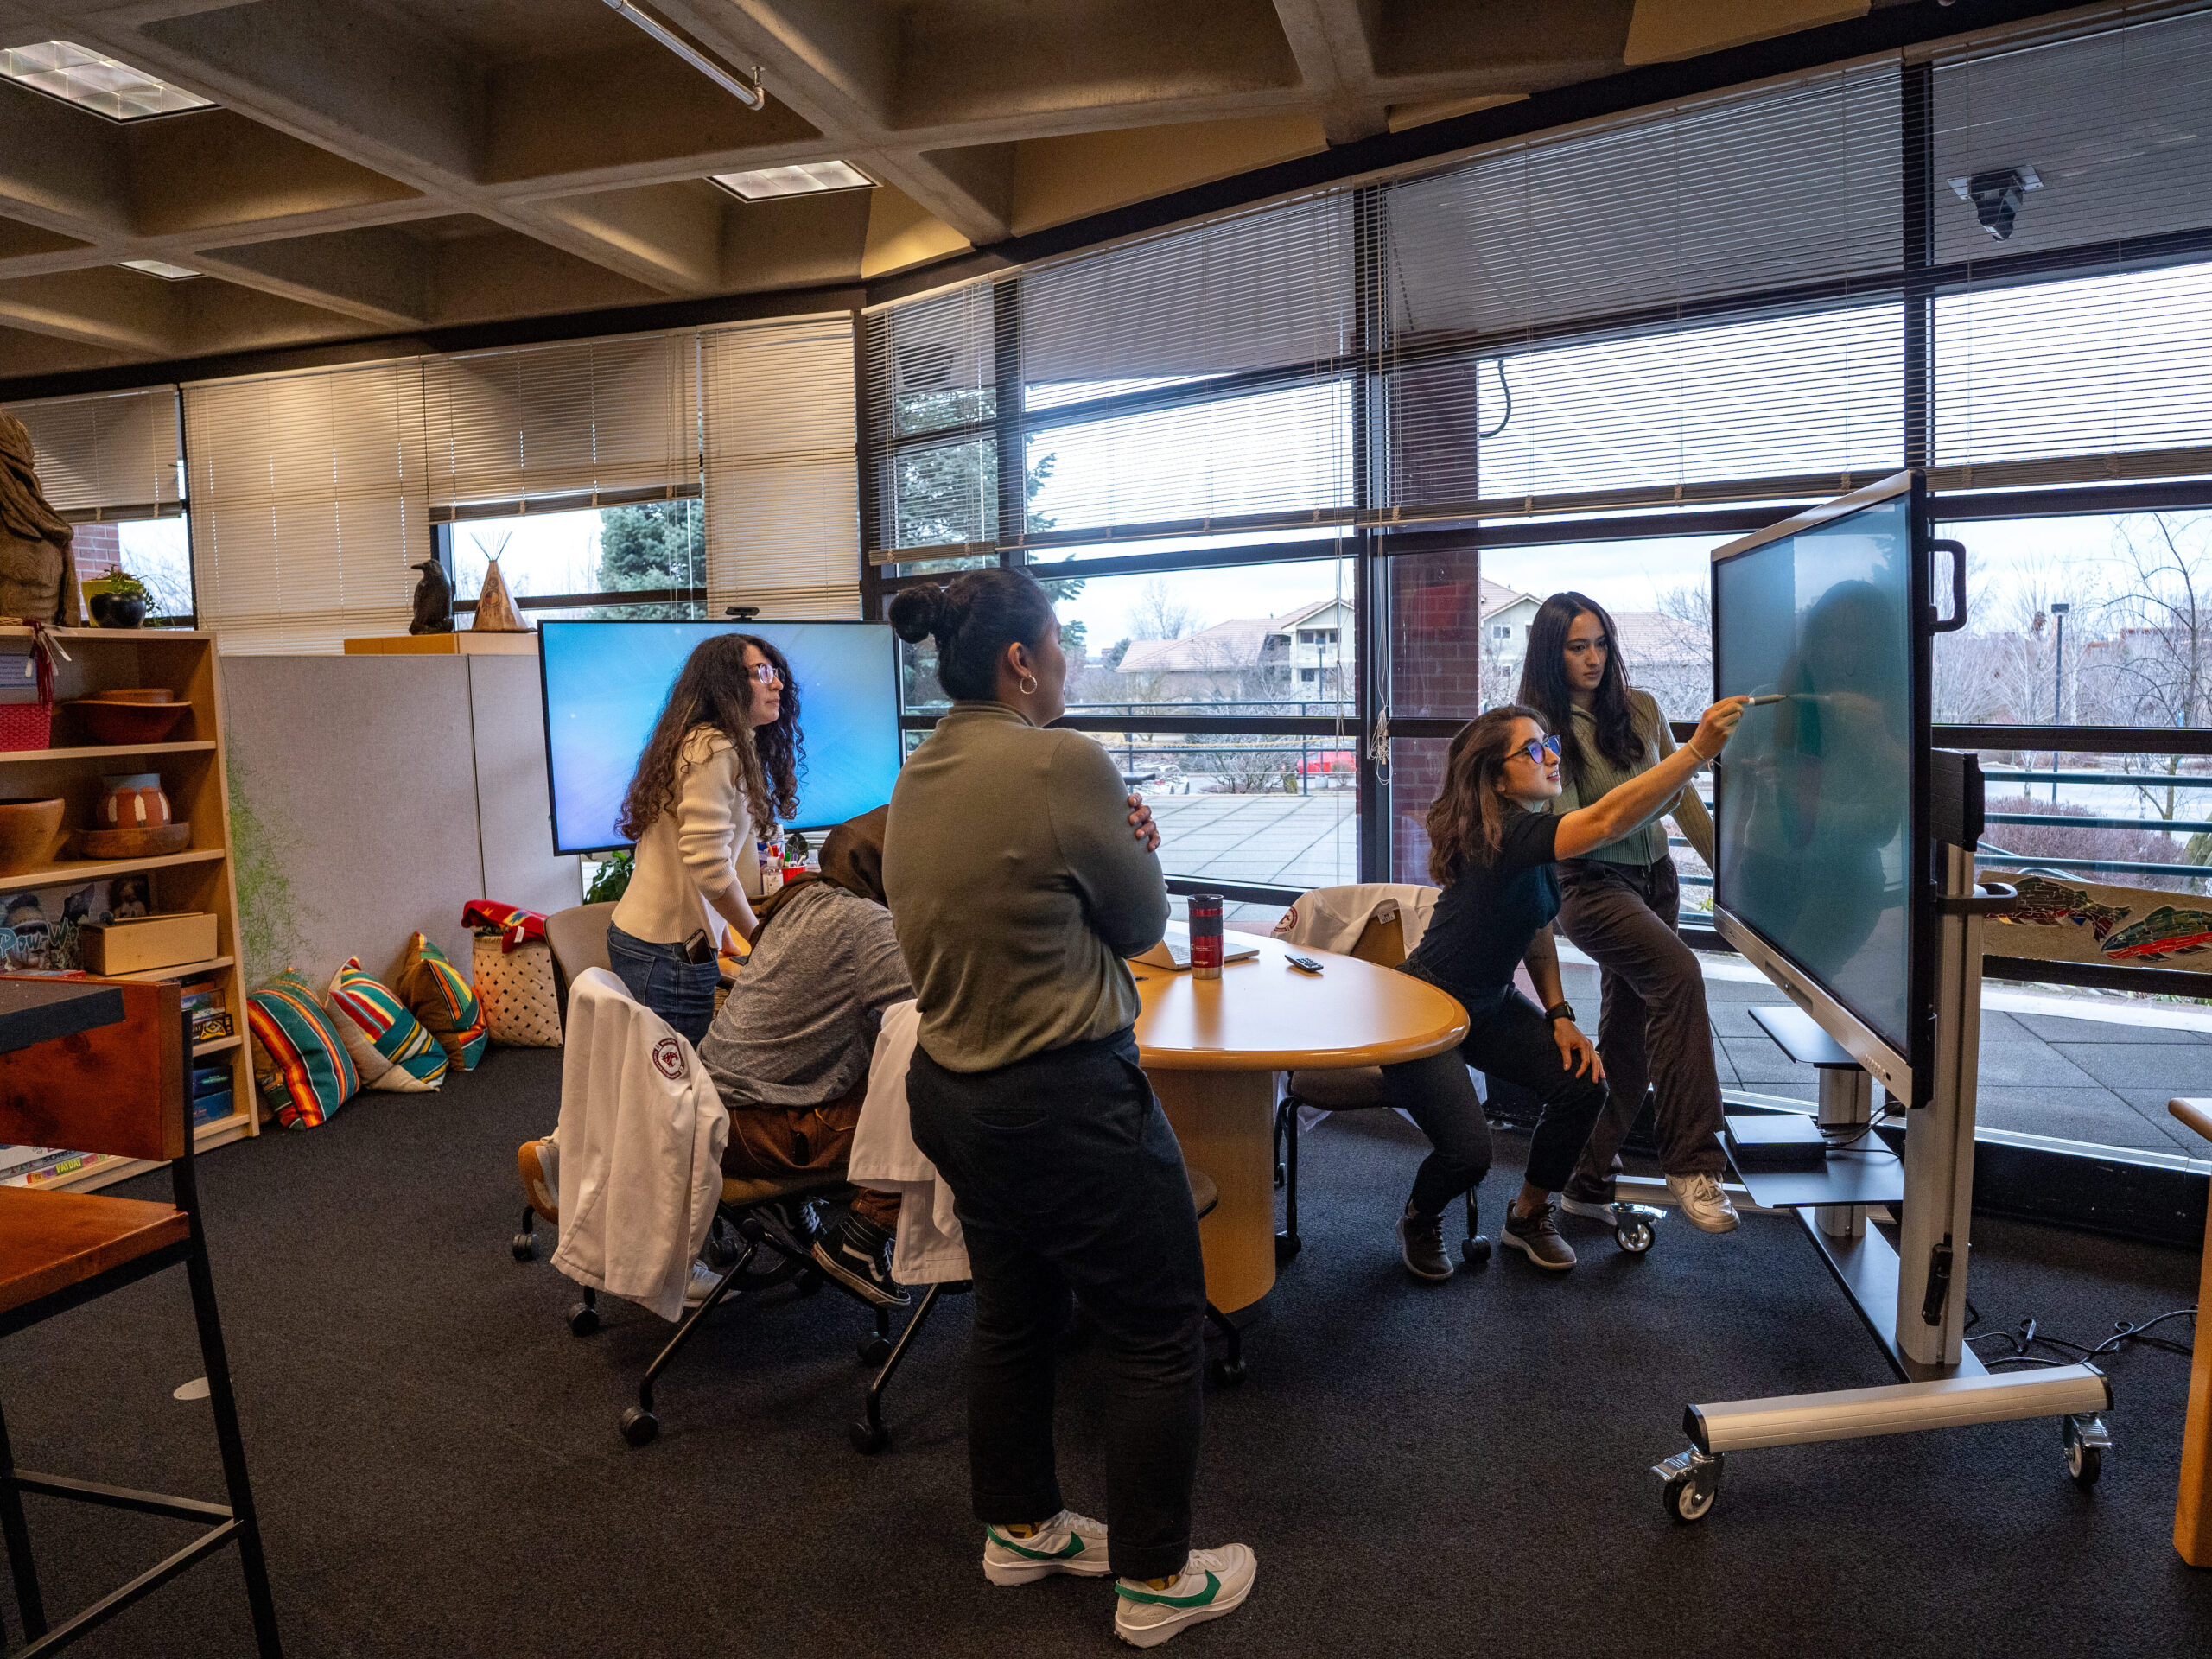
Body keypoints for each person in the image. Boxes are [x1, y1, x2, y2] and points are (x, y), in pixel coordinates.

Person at [882, 567, 1256, 1650]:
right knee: (1152, 1331)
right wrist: (1135, 841)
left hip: (955, 1095)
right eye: (1060, 643)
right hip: (1066, 1099)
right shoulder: (1062, 759)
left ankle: (1022, 1528)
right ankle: (1153, 1582)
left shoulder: (922, 768)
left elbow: (1010, 905)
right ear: (1020, 660)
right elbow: (1142, 925)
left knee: (1014, 1311)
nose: (1068, 662)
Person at [1380, 693, 1748, 1279]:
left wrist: (1559, 1013)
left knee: (1582, 1085)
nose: (1553, 756)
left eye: (1550, 743)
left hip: (1487, 1004)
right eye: (1534, 749)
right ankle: (1421, 1218)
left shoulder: (1534, 838)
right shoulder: (1503, 834)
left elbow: (1536, 931)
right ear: (1498, 779)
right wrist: (1696, 752)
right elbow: (1606, 820)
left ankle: (1529, 1215)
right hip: (1423, 1006)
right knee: (1469, 1154)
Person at [1516, 592, 1738, 1234]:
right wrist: (1686, 758)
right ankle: (1694, 1163)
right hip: (1591, 887)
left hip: (1656, 882)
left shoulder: (1641, 707)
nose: (1592, 658)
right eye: (1576, 646)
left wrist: (1733, 871)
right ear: (1550, 653)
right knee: (1680, 976)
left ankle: (1584, 1180)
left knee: (1626, 1047)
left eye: (1601, 644)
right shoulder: (1538, 734)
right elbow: (1584, 828)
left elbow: (1681, 795)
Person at [698, 806, 911, 1308]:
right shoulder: (868, 926)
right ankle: (864, 1235)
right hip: (760, 1127)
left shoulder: (803, 899)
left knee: (889, 1070)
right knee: (949, 1102)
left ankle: (798, 1211)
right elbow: (940, 1012)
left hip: (710, 1109)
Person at [607, 633, 799, 1046]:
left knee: (669, 1086)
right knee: (678, 1088)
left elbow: (697, 855)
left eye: (776, 671)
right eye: (762, 673)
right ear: (726, 684)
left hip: (661, 941)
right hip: (667, 951)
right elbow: (710, 865)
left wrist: (723, 926)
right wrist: (758, 934)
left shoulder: (707, 741)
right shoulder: (714, 747)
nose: (777, 683)